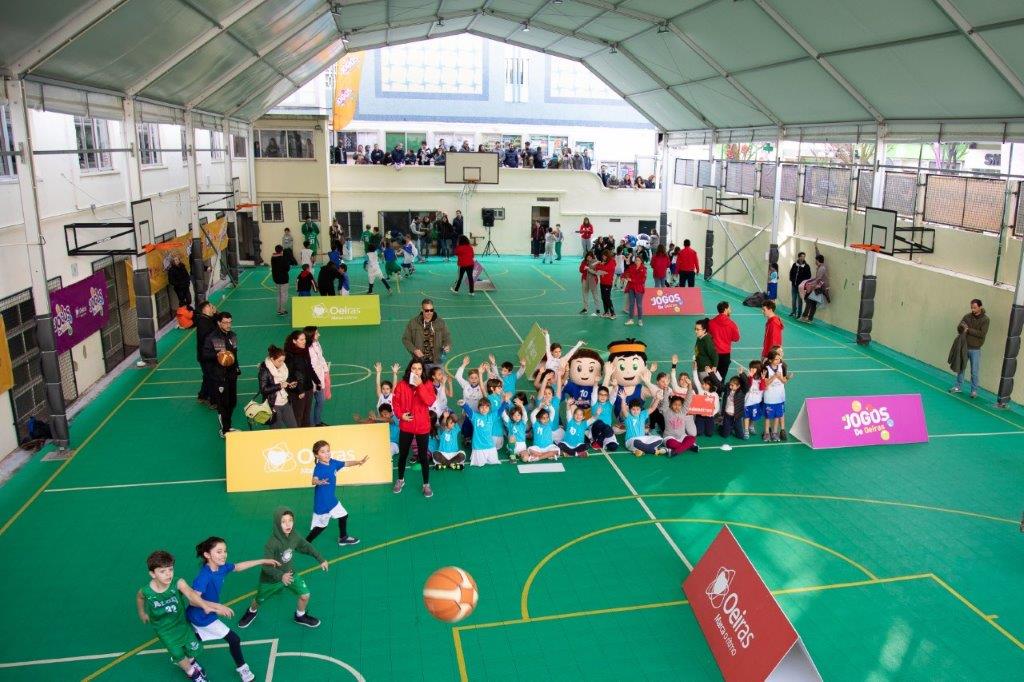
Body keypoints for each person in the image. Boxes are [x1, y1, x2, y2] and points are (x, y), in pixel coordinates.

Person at [187, 537, 278, 682]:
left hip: (204, 615)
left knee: (196, 639)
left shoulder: (221, 568)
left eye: (225, 551)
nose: (224, 554)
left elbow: (238, 567)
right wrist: (217, 607)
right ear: (207, 555)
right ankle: (243, 669)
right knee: (234, 639)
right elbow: (193, 600)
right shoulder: (204, 576)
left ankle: (186, 657)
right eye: (219, 551)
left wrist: (262, 561)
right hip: (201, 617)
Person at [137, 550, 230, 682]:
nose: (168, 574)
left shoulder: (178, 583)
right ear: (152, 574)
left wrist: (205, 606)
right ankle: (192, 673)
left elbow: (191, 594)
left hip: (182, 624)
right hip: (163, 629)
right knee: (177, 654)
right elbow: (140, 598)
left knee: (192, 650)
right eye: (162, 571)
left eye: (170, 569)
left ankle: (191, 662)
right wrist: (142, 612)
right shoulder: (146, 591)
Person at [235, 507, 329, 631]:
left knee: (305, 595)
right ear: (277, 524)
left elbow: (306, 546)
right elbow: (266, 566)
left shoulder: (294, 535)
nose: (288, 524)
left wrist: (320, 558)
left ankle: (300, 616)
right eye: (283, 521)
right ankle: (252, 611)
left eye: (290, 520)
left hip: (290, 574)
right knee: (258, 600)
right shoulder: (271, 543)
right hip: (271, 580)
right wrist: (281, 576)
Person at [306, 440, 367, 546]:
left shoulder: (333, 462)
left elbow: (346, 463)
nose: (327, 454)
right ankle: (305, 543)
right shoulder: (319, 468)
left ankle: (343, 538)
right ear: (316, 455)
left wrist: (359, 462)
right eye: (322, 452)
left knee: (344, 515)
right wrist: (319, 482)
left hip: (331, 500)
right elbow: (313, 480)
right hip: (323, 503)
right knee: (321, 527)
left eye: (328, 451)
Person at [391, 359, 437, 497]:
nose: (416, 371)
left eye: (419, 369)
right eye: (414, 368)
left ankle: (426, 484)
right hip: (406, 425)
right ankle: (400, 480)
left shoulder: (427, 384)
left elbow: (430, 401)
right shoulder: (401, 385)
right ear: (409, 370)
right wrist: (400, 415)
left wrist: (420, 386)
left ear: (423, 371)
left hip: (422, 426)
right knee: (403, 455)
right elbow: (395, 402)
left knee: (423, 456)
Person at [203, 312, 240, 437]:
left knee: (233, 402)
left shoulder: (233, 335)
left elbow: (235, 353)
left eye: (230, 322)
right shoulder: (212, 338)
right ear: (219, 323)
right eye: (225, 322)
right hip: (219, 376)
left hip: (231, 374)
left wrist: (237, 367)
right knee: (224, 403)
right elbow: (205, 355)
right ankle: (225, 429)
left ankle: (226, 424)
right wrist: (217, 355)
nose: (228, 325)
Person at [949, 298, 989, 398]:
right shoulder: (967, 317)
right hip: (965, 347)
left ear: (980, 307)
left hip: (975, 349)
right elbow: (959, 329)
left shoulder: (985, 320)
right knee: (961, 367)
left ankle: (974, 391)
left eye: (975, 307)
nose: (973, 309)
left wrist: (969, 330)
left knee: (974, 371)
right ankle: (958, 387)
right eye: (972, 307)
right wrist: (961, 327)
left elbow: (982, 334)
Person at [401, 299, 451, 365]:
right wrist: (414, 350)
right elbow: (406, 339)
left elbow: (447, 337)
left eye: (431, 310)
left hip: (437, 362)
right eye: (427, 310)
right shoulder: (413, 323)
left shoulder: (440, 322)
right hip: (420, 362)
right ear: (422, 310)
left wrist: (447, 345)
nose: (429, 312)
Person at [259, 345, 297, 429]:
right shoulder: (264, 371)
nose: (282, 363)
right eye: (279, 361)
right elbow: (263, 389)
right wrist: (279, 386)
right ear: (272, 359)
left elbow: (285, 380)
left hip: (286, 402)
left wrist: (289, 384)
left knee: (294, 427)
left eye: (283, 360)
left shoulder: (283, 367)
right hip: (274, 405)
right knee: (276, 431)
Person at [762, 349, 792, 441]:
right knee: (768, 417)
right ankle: (767, 433)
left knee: (777, 416)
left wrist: (787, 378)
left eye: (779, 359)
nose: (778, 361)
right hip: (770, 397)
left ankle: (775, 433)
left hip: (780, 396)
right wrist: (775, 376)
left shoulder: (781, 367)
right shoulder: (766, 369)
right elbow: (765, 384)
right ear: (770, 360)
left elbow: (784, 381)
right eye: (776, 359)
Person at [708, 301, 741, 380]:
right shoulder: (732, 324)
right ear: (725, 309)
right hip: (725, 354)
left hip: (713, 353)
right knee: (721, 377)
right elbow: (736, 338)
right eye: (729, 308)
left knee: (711, 376)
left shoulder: (711, 322)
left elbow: (708, 336)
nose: (730, 309)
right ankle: (719, 392)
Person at [305, 326, 330, 427]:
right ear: (311, 335)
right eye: (317, 333)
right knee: (309, 405)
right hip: (311, 380)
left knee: (321, 401)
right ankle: (311, 425)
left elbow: (321, 357)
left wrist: (325, 370)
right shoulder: (306, 349)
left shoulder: (317, 344)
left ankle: (318, 422)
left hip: (320, 378)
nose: (319, 334)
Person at [799, 243, 829, 323]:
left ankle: (805, 317)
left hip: (819, 288)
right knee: (812, 302)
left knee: (809, 300)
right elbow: (818, 255)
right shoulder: (822, 265)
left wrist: (810, 285)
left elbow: (818, 280)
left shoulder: (821, 269)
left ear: (818, 261)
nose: (815, 261)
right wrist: (816, 247)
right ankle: (809, 318)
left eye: (816, 260)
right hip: (818, 287)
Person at [195, 300, 216, 406]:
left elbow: (219, 319)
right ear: (204, 309)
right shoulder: (203, 322)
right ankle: (213, 401)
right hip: (206, 355)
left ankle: (202, 395)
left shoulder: (207, 319)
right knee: (212, 376)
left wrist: (215, 313)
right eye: (209, 306)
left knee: (208, 376)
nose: (211, 307)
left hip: (206, 355)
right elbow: (208, 337)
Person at [623, 253, 648, 327]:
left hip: (639, 289)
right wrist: (625, 276)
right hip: (631, 288)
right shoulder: (632, 267)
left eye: (638, 260)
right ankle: (631, 319)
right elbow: (627, 273)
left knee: (639, 305)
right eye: (636, 260)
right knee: (631, 304)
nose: (636, 261)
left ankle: (640, 320)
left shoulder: (644, 269)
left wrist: (631, 279)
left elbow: (642, 280)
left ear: (641, 261)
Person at [595, 249, 617, 319]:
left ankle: (613, 313)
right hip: (602, 282)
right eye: (603, 256)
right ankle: (606, 312)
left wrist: (600, 265)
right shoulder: (604, 262)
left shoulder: (612, 262)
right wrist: (600, 266)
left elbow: (605, 268)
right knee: (603, 298)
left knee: (607, 298)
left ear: (608, 256)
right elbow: (597, 268)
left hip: (608, 283)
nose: (603, 257)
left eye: (604, 256)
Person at [788, 252, 811, 318]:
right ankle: (793, 312)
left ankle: (799, 314)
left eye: (804, 256)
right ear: (799, 257)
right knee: (793, 300)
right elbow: (791, 273)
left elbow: (808, 276)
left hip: (801, 287)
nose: (803, 258)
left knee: (800, 300)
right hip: (794, 286)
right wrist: (792, 280)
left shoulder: (806, 266)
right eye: (802, 256)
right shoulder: (794, 265)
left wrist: (802, 283)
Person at [270, 245, 290, 316]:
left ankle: (279, 309)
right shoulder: (283, 258)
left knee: (279, 295)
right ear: (282, 250)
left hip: (276, 279)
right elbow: (287, 268)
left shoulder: (273, 257)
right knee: (284, 295)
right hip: (283, 279)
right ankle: (282, 310)